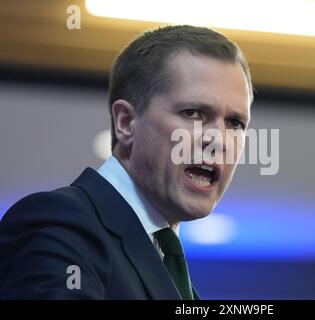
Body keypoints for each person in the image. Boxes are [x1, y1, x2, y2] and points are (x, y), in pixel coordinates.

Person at [0, 25, 253, 299]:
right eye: (193, 113)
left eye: (235, 123)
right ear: (125, 122)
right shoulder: (59, 224)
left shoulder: (168, 268)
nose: (219, 141)